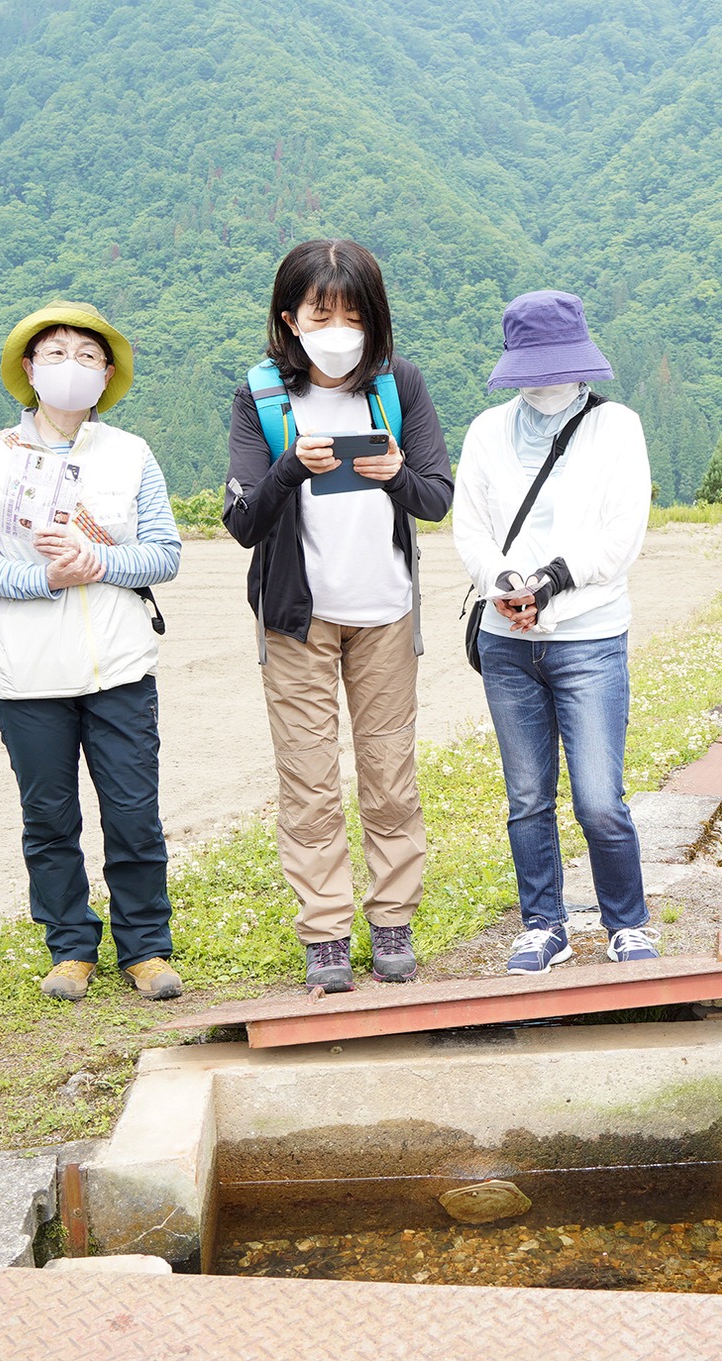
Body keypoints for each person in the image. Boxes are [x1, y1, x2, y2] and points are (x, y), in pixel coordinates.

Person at [224, 239, 453, 993]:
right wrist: (295, 465)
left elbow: (437, 497)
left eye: (354, 312)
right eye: (323, 312)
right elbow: (242, 520)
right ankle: (325, 931)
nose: (339, 327)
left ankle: (393, 919)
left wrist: (396, 476)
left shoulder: (399, 386)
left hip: (385, 611)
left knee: (390, 776)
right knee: (310, 780)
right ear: (290, 318)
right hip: (297, 618)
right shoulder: (261, 397)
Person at [0, 302, 184, 1004]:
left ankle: (145, 946)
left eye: (87, 354)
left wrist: (97, 562)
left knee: (134, 811)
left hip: (119, 666)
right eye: (54, 351)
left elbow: (165, 553)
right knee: (50, 817)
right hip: (25, 673)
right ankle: (70, 945)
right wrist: (43, 577)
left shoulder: (129, 452)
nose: (70, 365)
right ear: (28, 367)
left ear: (107, 372)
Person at [453, 291, 659, 974]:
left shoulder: (617, 427)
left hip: (590, 637)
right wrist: (507, 581)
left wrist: (552, 582)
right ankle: (544, 923)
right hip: (507, 642)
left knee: (599, 796)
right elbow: (471, 529)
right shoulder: (487, 432)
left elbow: (622, 535)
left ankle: (625, 920)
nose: (545, 379)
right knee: (527, 796)